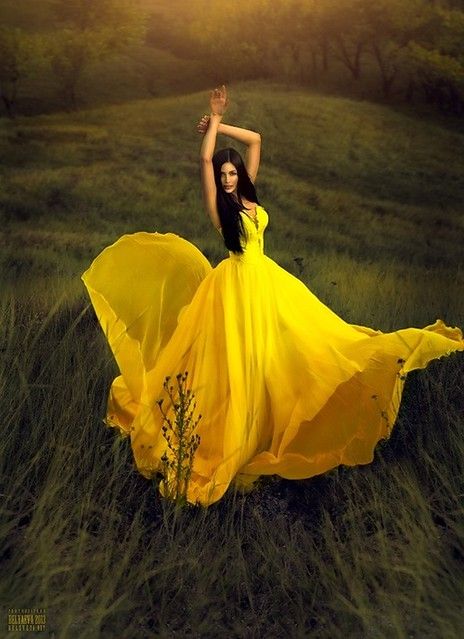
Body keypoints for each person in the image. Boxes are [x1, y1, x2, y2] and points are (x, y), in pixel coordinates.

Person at [81, 85, 464, 507]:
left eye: (232, 174)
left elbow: (257, 140)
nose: (227, 179)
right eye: (223, 176)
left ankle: (273, 420)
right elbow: (205, 159)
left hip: (268, 281)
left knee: (300, 349)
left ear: (239, 175)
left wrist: (220, 122)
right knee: (239, 364)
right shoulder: (220, 207)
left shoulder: (248, 195)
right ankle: (234, 435)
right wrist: (210, 124)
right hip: (236, 287)